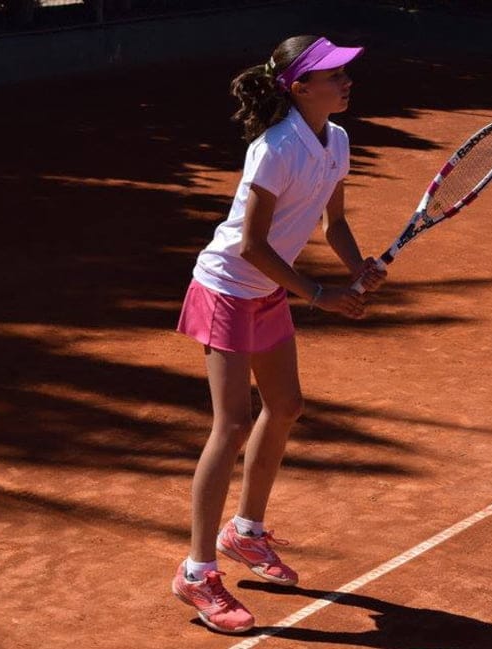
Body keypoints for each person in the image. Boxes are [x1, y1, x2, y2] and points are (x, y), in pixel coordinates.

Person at [170, 34, 386, 634]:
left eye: (346, 72)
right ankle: (196, 571)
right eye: (333, 74)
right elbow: (251, 245)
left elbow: (333, 221)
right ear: (299, 87)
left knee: (286, 405)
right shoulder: (275, 148)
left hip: (264, 291)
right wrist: (319, 295)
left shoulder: (336, 139)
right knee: (234, 422)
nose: (346, 81)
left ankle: (246, 531)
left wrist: (356, 268)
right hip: (226, 288)